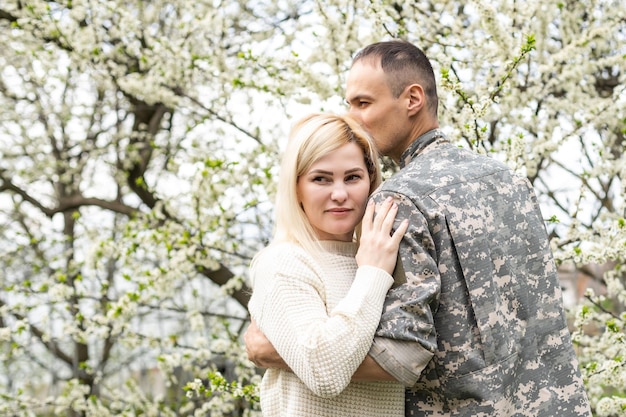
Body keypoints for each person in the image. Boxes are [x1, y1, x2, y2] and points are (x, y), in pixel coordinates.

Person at [246, 40, 593, 416]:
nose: (352, 117)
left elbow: (403, 352)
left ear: (412, 99)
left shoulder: (398, 200)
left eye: (362, 103)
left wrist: (281, 351)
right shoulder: (511, 180)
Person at [246, 112, 409, 416]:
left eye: (352, 177)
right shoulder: (285, 263)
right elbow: (325, 373)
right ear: (296, 187)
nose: (339, 194)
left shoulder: (384, 256)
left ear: (371, 181)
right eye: (320, 178)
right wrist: (373, 274)